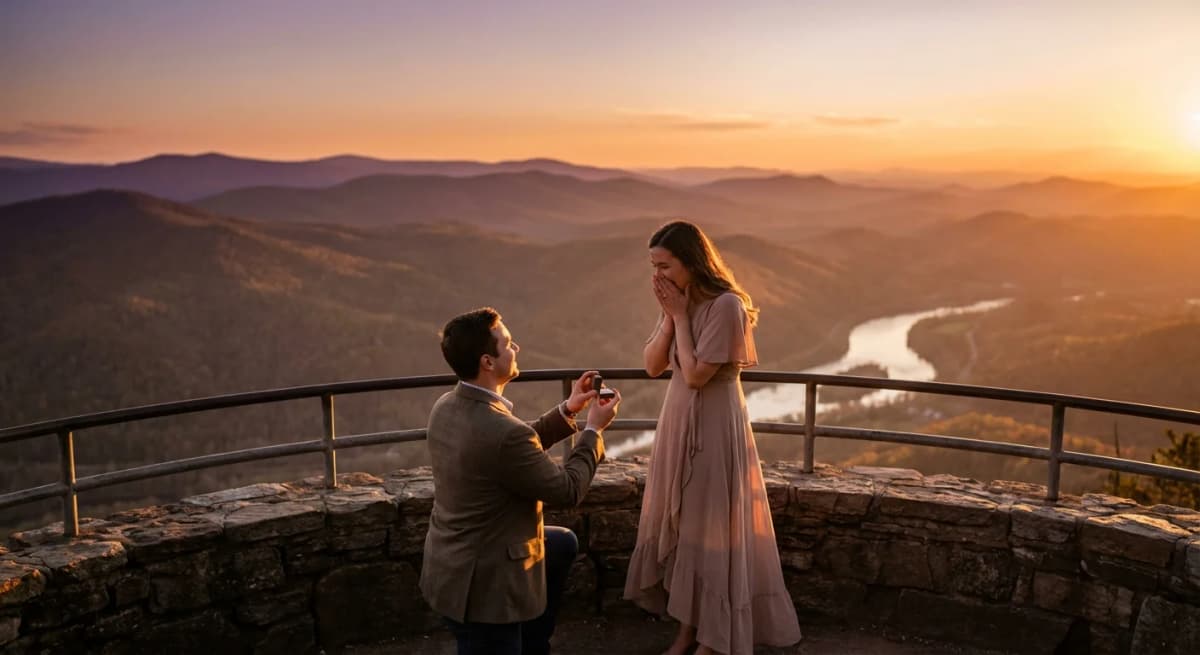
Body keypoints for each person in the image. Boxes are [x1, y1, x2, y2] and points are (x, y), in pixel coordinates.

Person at [624, 221, 801, 655]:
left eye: (665, 265)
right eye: (653, 266)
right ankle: (687, 631)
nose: (658, 275)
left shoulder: (726, 306)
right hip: (678, 420)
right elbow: (651, 365)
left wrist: (681, 317)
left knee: (713, 529)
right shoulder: (679, 303)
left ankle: (714, 638)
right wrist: (671, 316)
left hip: (714, 426)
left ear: (690, 261)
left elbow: (699, 373)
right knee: (687, 530)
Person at [420, 307, 621, 655]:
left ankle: (532, 642)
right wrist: (593, 431)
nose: (517, 349)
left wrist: (568, 411)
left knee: (561, 544)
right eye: (508, 344)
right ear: (487, 361)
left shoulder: (447, 406)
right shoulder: (502, 431)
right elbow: (567, 489)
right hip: (485, 592)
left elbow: (509, 450)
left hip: (448, 568)